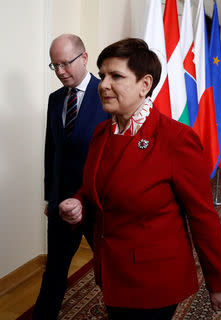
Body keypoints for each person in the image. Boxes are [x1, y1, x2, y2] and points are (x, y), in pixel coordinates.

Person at [59, 38, 221, 320]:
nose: (103, 84)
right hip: (111, 271)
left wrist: (220, 281)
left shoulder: (176, 139)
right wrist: (78, 200)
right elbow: (101, 184)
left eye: (116, 76)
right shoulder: (102, 134)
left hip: (153, 280)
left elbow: (203, 216)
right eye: (102, 74)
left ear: (145, 84)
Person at [33, 34, 109, 320]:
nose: (61, 71)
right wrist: (50, 197)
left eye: (66, 63)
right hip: (62, 203)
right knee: (54, 269)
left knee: (108, 270)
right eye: (55, 65)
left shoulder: (108, 94)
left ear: (85, 58)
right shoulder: (55, 100)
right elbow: (52, 151)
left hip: (97, 202)